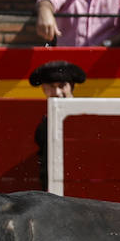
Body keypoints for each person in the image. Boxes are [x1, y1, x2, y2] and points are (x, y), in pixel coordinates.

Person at [29, 59, 87, 190]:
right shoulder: (43, 121)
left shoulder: (84, 116)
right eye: (51, 87)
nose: (57, 93)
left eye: (62, 86)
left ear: (71, 86)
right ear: (44, 89)